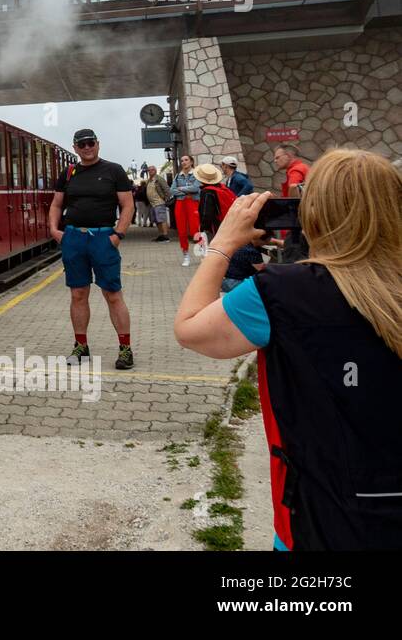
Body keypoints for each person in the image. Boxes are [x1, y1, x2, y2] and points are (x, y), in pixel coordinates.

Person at [174, 149, 402, 549]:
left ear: (310, 212)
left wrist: (223, 244)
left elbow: (190, 328)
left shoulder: (280, 292)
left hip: (319, 520)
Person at [48, 128, 136, 370]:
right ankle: (81, 347)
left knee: (112, 294)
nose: (87, 148)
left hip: (103, 238)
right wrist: (55, 230)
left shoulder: (113, 170)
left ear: (98, 144)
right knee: (78, 294)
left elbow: (127, 205)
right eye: (81, 144)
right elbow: (56, 204)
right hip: (74, 238)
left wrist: (118, 234)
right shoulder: (68, 173)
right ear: (75, 148)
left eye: (90, 143)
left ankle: (126, 349)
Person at [169, 153, 201, 267]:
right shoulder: (178, 176)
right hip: (180, 203)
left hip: (192, 203)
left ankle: (202, 252)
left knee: (195, 228)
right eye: (182, 160)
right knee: (181, 230)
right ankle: (186, 255)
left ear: (191, 162)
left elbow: (196, 188)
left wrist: (181, 188)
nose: (184, 162)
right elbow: (172, 190)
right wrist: (187, 190)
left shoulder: (197, 174)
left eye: (186, 160)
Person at [195, 163, 237, 239]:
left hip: (215, 227)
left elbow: (206, 213)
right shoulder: (221, 187)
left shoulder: (207, 192)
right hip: (226, 223)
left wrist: (202, 228)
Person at [145, 165, 171, 242]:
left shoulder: (159, 179)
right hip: (152, 204)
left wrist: (165, 199)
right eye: (149, 170)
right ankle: (161, 235)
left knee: (162, 219)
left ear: (155, 170)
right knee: (157, 220)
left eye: (152, 170)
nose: (150, 171)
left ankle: (165, 236)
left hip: (159, 202)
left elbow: (167, 190)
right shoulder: (149, 180)